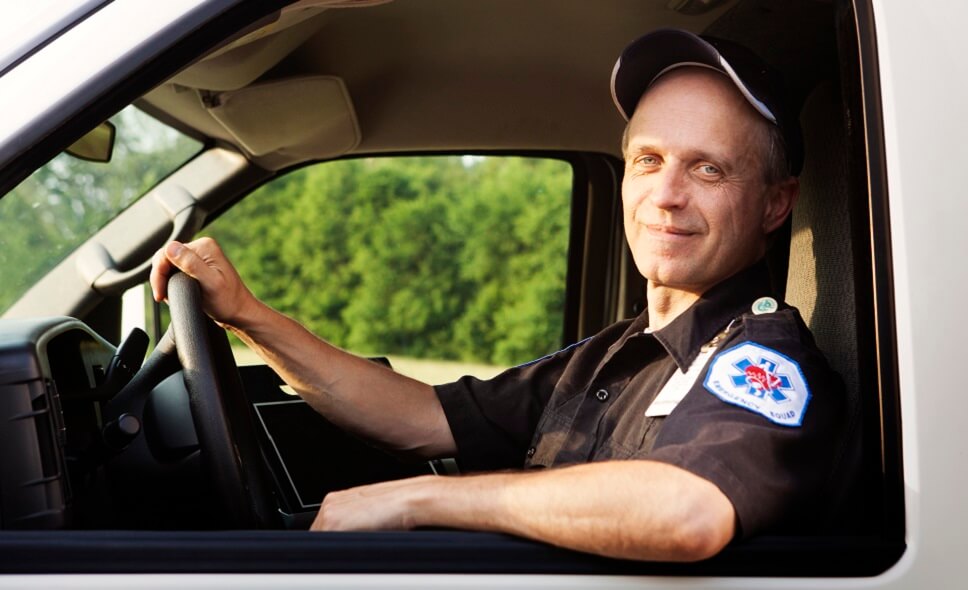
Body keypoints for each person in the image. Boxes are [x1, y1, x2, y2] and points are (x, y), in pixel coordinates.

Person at [150, 28, 845, 562]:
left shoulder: (765, 357)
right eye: (648, 160)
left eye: (708, 168)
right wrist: (249, 317)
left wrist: (421, 501)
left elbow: (688, 512)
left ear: (775, 205)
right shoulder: (613, 353)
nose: (665, 195)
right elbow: (424, 416)